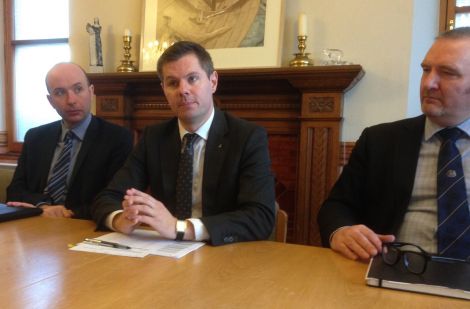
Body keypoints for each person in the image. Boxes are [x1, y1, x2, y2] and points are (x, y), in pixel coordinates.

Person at [91, 41, 275, 245]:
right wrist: (119, 219)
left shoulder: (247, 137)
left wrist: (179, 228)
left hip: (223, 254)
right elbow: (107, 197)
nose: (183, 90)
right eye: (173, 83)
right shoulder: (154, 137)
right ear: (163, 90)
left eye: (192, 79)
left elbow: (261, 217)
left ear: (213, 82)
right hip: (164, 255)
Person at [318, 27, 470, 261]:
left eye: (448, 73)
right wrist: (342, 231)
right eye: (426, 70)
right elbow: (336, 207)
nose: (429, 83)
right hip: (396, 270)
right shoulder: (380, 141)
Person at [6, 62, 133, 219]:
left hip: (82, 224)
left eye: (78, 89)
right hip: (36, 222)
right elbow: (15, 190)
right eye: (60, 93)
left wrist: (66, 214)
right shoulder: (35, 137)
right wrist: (43, 207)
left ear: (91, 91)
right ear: (50, 101)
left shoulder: (117, 138)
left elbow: (116, 197)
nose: (71, 100)